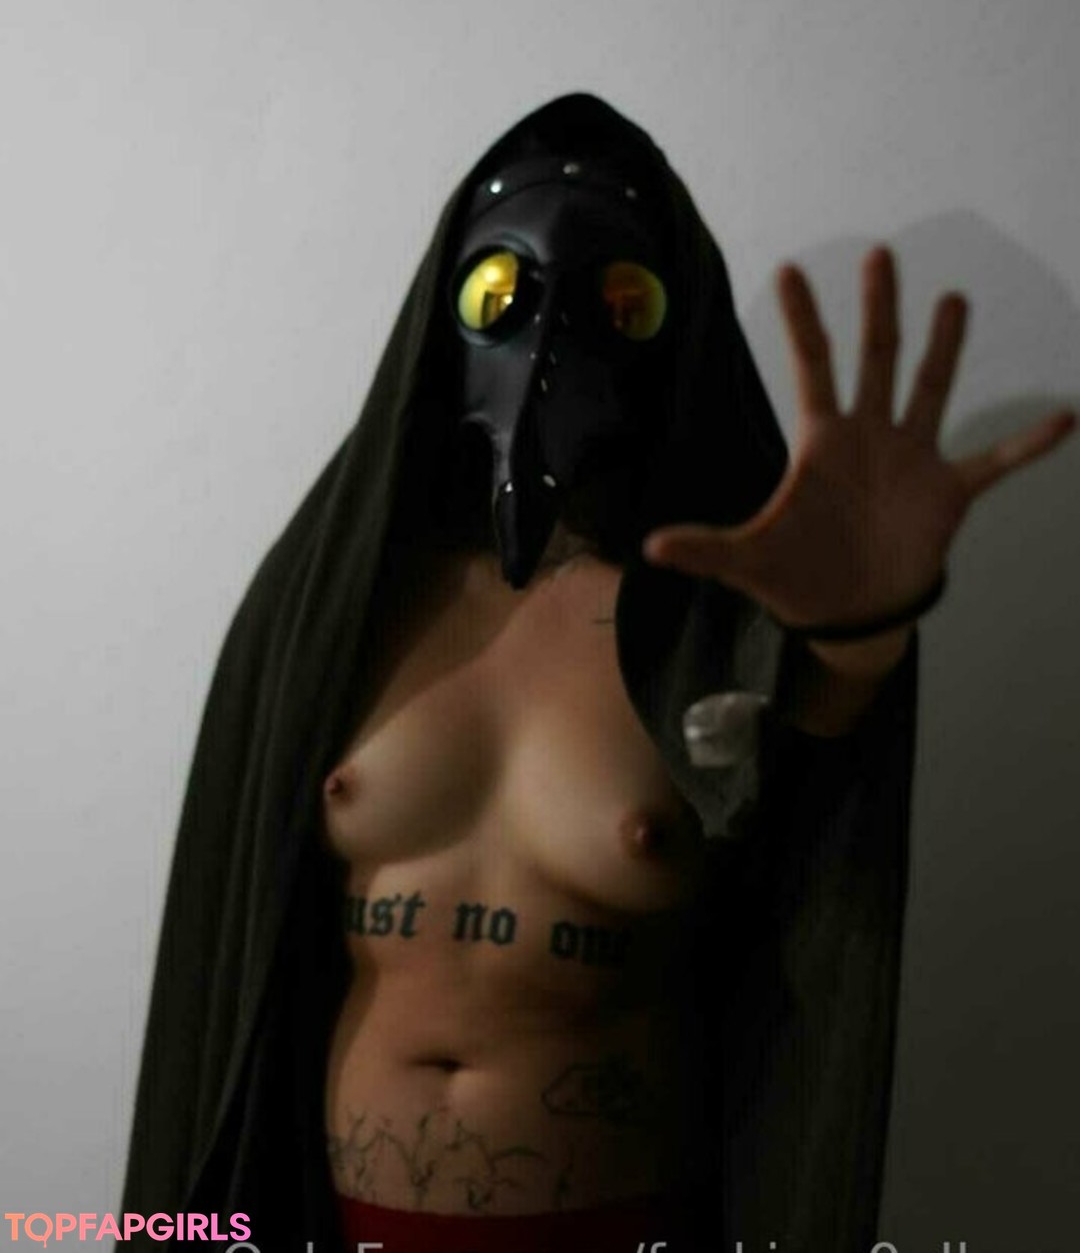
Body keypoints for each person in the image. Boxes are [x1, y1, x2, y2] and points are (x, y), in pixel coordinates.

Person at [121, 93, 1075, 1253]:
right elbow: (233, 943)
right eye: (499, 293)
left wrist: (865, 622)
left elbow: (820, 767)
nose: (548, 341)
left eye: (620, 301)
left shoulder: (706, 622)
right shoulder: (340, 601)